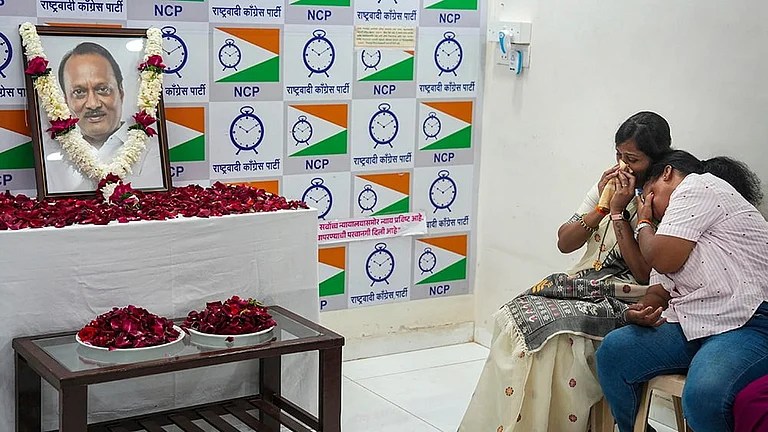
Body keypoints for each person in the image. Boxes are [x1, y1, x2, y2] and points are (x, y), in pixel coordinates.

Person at [458, 112, 673, 432]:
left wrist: (619, 213)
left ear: (657, 160)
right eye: (618, 155)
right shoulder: (609, 186)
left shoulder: (660, 199)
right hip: (582, 282)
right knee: (516, 317)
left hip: (627, 292)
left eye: (633, 159)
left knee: (555, 339)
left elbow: (644, 275)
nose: (623, 166)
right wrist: (601, 207)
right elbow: (564, 242)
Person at [595, 150, 767, 432]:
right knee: (613, 352)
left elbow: (661, 259)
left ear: (667, 174)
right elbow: (659, 287)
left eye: (649, 194)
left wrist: (644, 221)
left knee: (704, 395)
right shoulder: (675, 227)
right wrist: (647, 307)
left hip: (747, 323)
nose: (648, 205)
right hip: (692, 323)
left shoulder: (698, 185)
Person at [44, 42, 162, 193]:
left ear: (121, 92)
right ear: (66, 101)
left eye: (102, 89)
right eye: (79, 92)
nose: (93, 104)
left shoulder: (154, 152)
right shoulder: (50, 157)